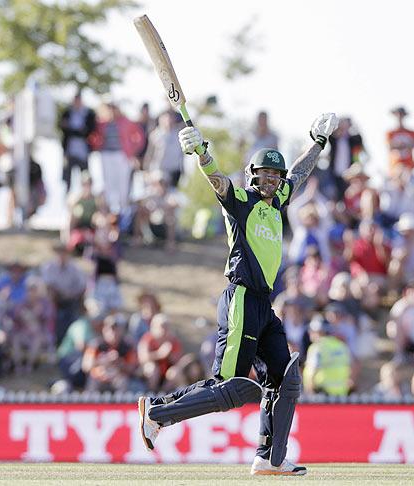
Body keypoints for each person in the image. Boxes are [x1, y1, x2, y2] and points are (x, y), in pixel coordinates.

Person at [137, 112, 338, 476]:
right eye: (266, 174)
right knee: (228, 387)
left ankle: (270, 457)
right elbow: (217, 181)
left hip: (265, 305)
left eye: (276, 176)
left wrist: (317, 142)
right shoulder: (241, 201)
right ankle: (157, 412)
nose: (273, 180)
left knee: (285, 377)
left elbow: (299, 172)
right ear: (253, 175)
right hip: (241, 299)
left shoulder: (278, 201)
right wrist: (201, 150)